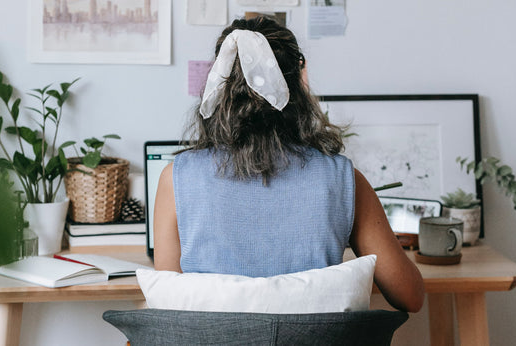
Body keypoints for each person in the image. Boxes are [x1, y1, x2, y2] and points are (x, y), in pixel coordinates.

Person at [152, 16, 424, 312]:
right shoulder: (343, 178)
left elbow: (169, 304)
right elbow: (410, 296)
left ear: (220, 85)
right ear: (298, 83)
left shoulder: (176, 178)